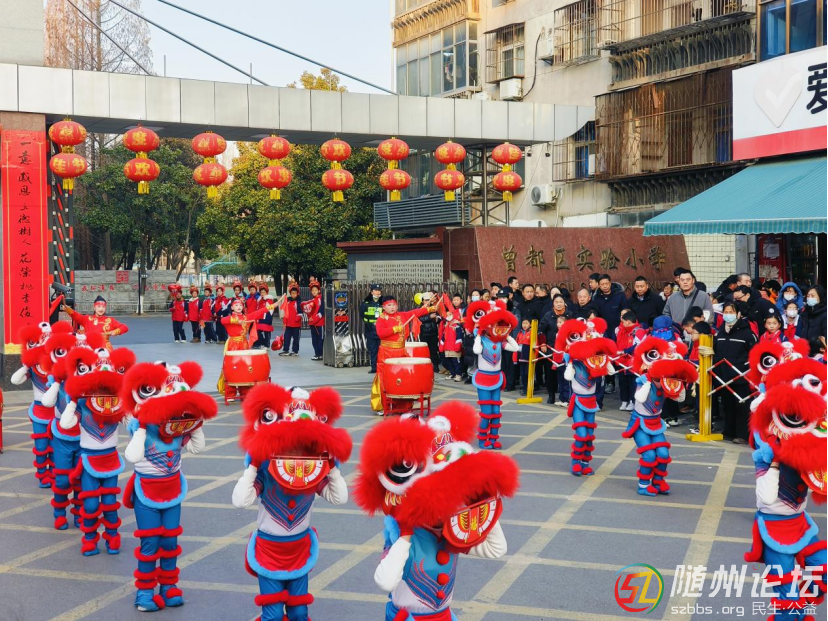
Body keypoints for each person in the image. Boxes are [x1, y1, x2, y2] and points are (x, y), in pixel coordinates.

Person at [122, 361, 216, 612]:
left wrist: (196, 423)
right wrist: (143, 425)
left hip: (173, 489)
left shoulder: (177, 425)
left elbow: (197, 448)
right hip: (147, 491)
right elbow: (132, 456)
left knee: (170, 542)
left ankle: (168, 586)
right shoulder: (138, 423)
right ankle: (144, 592)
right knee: (150, 543)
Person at [371, 295, 435, 415]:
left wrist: (428, 309)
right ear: (383, 307)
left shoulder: (402, 315)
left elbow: (416, 312)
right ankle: (382, 406)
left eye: (394, 305)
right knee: (384, 378)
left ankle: (402, 406)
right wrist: (395, 329)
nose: (392, 307)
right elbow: (381, 333)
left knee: (401, 378)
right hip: (386, 352)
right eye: (389, 305)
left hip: (400, 352)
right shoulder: (381, 319)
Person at [713, 301, 757, 443]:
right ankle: (729, 431)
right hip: (723, 375)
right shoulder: (720, 332)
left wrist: (744, 367)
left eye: (731, 312)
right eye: (726, 312)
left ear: (738, 314)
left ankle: (742, 434)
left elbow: (755, 353)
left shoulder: (747, 333)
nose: (728, 315)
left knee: (742, 405)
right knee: (728, 404)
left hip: (741, 374)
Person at [593, 274, 627, 393]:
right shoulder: (596, 298)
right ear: (598, 285)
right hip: (604, 333)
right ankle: (610, 382)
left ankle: (623, 383)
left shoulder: (619, 295)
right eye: (602, 284)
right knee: (607, 357)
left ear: (610, 283)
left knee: (620, 356)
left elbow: (625, 312)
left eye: (607, 283)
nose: (605, 286)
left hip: (619, 332)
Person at [64, 295, 129, 350]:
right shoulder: (87, 319)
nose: (101, 309)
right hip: (89, 348)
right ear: (94, 308)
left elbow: (124, 327)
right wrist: (68, 309)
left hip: (104, 349)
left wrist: (115, 332)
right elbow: (75, 315)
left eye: (103, 307)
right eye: (98, 306)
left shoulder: (110, 320)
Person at [615, 310, 646, 411]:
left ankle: (634, 404)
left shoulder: (639, 331)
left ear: (628, 321)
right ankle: (626, 401)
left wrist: (625, 351)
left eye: (623, 321)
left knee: (634, 384)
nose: (622, 323)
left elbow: (638, 346)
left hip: (634, 362)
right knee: (624, 383)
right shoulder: (620, 330)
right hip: (623, 360)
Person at [361, 284, 383, 373]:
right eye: (376, 290)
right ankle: (374, 367)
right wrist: (369, 325)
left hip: (381, 330)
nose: (378, 292)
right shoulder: (366, 303)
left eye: (379, 290)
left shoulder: (383, 302)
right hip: (371, 330)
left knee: (382, 350)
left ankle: (381, 367)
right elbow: (362, 315)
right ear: (371, 292)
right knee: (373, 349)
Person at [417, 292, 442, 373]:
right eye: (426, 300)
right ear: (422, 301)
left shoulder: (433, 308)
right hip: (424, 333)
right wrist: (429, 317)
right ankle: (424, 367)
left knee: (434, 351)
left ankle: (435, 366)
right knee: (424, 351)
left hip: (433, 333)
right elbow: (419, 319)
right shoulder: (420, 309)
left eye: (429, 300)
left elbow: (439, 317)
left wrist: (437, 319)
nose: (427, 301)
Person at [279, 284, 303, 357]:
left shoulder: (298, 302)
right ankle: (286, 350)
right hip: (288, 324)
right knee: (286, 338)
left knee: (296, 339)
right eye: (292, 293)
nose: (293, 294)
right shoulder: (288, 301)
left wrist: (297, 319)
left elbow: (300, 312)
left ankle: (295, 351)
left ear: (297, 293)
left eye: (295, 293)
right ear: (290, 293)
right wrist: (284, 322)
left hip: (296, 325)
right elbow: (285, 312)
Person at [304, 280, 325, 361]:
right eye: (312, 290)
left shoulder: (321, 299)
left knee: (320, 339)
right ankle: (317, 354)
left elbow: (322, 311)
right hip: (312, 323)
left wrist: (315, 319)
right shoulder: (312, 300)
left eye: (315, 290)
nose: (314, 291)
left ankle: (320, 354)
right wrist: (309, 317)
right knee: (314, 340)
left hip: (319, 323)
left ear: (319, 290)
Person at [516, 319, 532, 396]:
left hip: (528, 357)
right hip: (521, 356)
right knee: (522, 373)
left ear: (530, 324)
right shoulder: (520, 332)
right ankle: (524, 388)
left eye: (526, 323)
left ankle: (528, 389)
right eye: (523, 323)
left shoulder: (532, 332)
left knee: (527, 373)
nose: (524, 325)